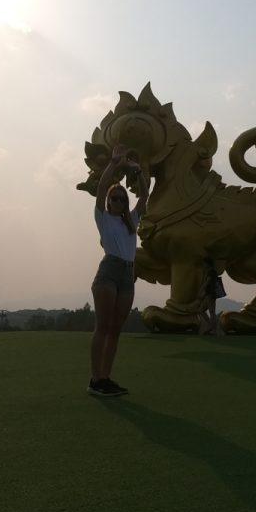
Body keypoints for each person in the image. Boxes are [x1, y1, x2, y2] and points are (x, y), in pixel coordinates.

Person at [88, 143, 150, 397]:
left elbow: (145, 196)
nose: (118, 201)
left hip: (127, 274)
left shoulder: (131, 221)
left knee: (115, 329)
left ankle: (106, 377)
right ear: (108, 201)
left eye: (122, 199)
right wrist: (114, 164)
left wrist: (137, 171)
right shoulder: (103, 217)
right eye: (115, 198)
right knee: (103, 327)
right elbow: (102, 187)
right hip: (109, 272)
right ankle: (95, 380)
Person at [198, 258, 227, 336]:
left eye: (204, 264)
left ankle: (213, 329)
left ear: (207, 264)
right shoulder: (211, 272)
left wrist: (201, 290)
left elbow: (207, 282)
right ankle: (210, 326)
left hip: (210, 294)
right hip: (209, 294)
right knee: (202, 310)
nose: (203, 265)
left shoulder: (211, 272)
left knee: (211, 312)